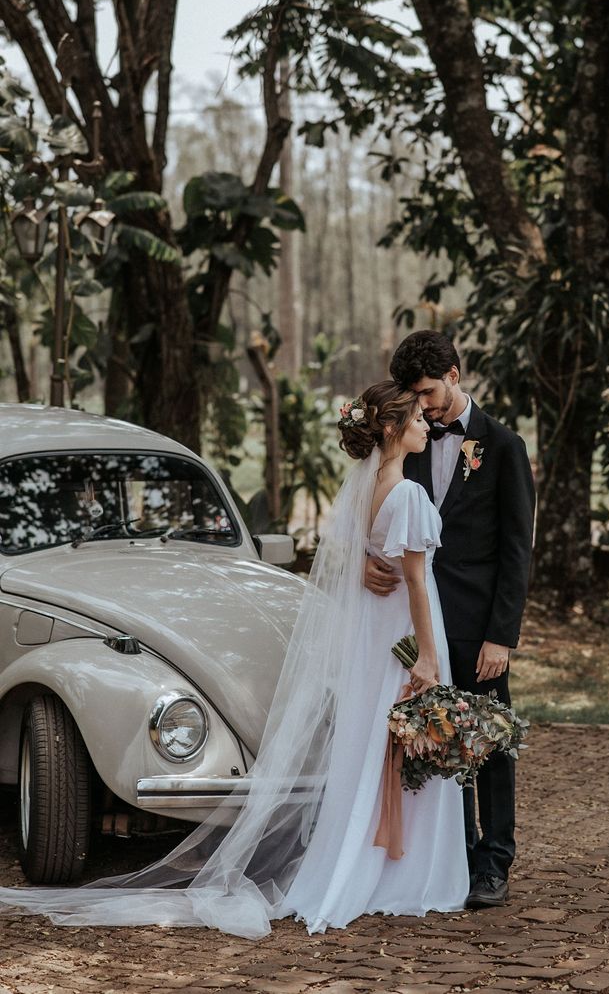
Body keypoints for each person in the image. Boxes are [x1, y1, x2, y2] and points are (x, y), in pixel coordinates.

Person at [0, 382, 468, 936]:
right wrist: (428, 653)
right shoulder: (402, 492)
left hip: (379, 637)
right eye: (416, 415)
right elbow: (406, 577)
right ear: (393, 426)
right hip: (402, 634)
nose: (425, 422)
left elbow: (351, 556)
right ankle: (399, 868)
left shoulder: (371, 491)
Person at [365, 332, 535, 909]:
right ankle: (455, 857)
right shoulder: (404, 441)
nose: (426, 406)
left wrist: (501, 636)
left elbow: (517, 549)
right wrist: (371, 563)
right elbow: (384, 521)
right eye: (416, 396)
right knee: (433, 741)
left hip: (476, 624)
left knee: (489, 744)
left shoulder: (504, 446)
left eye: (430, 392)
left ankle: (495, 860)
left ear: (455, 376)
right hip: (417, 625)